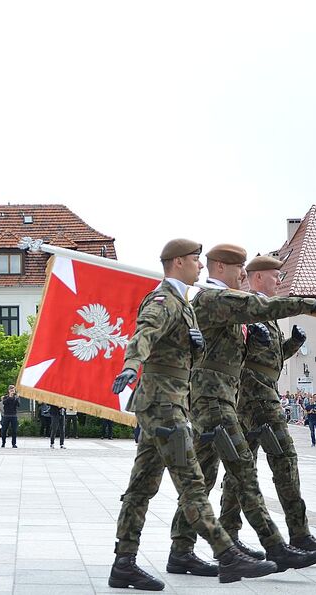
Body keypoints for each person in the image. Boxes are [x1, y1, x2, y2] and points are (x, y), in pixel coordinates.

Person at [110, 239, 277, 590]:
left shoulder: (182, 304)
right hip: (163, 407)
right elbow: (145, 333)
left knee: (140, 487)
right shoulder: (163, 300)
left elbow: (182, 361)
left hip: (164, 405)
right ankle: (227, 554)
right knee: (192, 485)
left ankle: (123, 563)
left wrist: (195, 350)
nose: (200, 266)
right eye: (195, 261)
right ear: (178, 263)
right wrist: (131, 365)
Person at [169, 244, 316, 576]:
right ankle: (277, 545)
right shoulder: (213, 298)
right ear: (220, 268)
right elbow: (260, 306)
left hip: (220, 402)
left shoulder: (221, 303)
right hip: (213, 402)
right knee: (243, 470)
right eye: (239, 268)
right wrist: (314, 304)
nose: (243, 275)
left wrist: (287, 341)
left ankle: (181, 551)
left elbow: (253, 349)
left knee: (203, 478)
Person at [219, 256, 316, 562]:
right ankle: (299, 535)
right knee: (284, 461)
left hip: (253, 400)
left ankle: (228, 535)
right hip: (258, 401)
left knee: (240, 469)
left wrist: (293, 344)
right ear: (258, 277)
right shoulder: (247, 309)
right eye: (276, 276)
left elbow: (268, 360)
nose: (279, 280)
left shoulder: (264, 313)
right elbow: (238, 357)